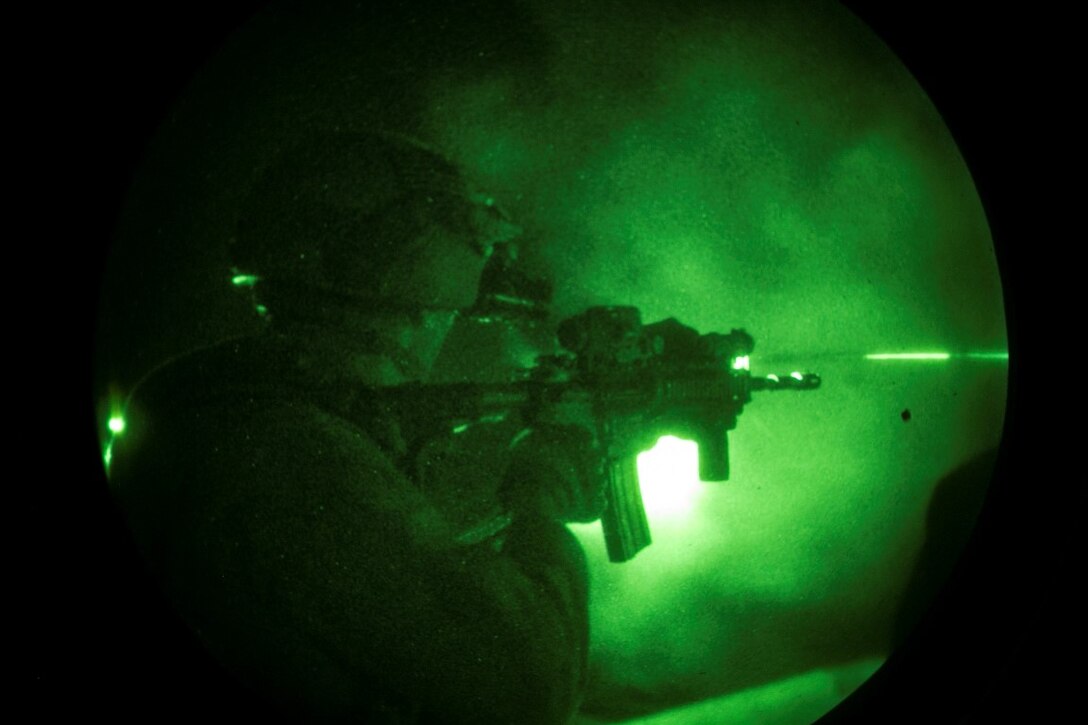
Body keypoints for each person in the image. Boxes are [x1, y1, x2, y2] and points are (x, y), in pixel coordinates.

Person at [107, 131, 605, 723]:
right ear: (423, 285)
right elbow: (527, 688)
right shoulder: (292, 455)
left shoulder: (222, 412)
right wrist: (540, 489)